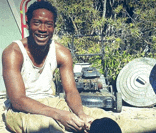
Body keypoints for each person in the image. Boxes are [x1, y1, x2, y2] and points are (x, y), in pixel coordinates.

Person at [2, 1, 94, 132]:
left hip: (51, 103)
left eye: (48, 24)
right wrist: (59, 114)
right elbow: (17, 100)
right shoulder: (13, 52)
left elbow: (71, 91)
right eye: (37, 22)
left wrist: (80, 114)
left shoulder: (61, 52)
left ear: (54, 27)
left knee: (98, 121)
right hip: (21, 109)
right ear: (28, 24)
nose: (43, 29)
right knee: (47, 127)